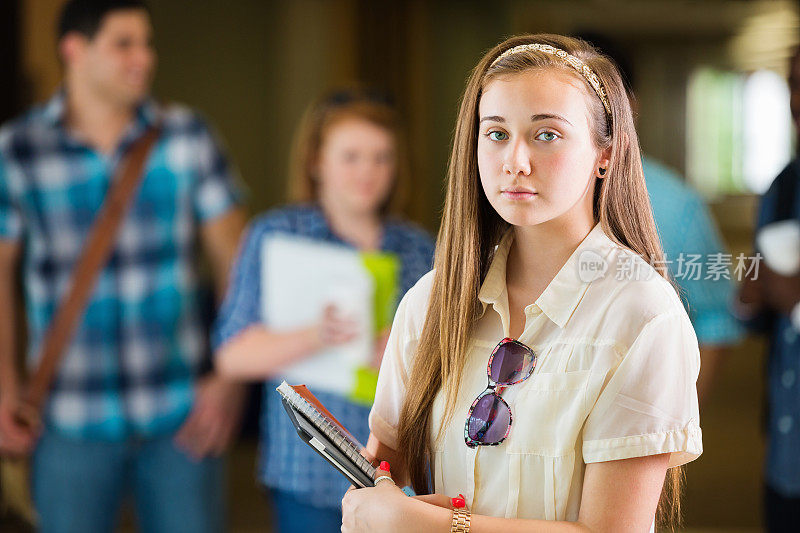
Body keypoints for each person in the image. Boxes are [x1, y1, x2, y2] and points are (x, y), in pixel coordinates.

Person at [341, 34, 702, 533]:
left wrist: (440, 526)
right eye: (495, 134)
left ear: (606, 155)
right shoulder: (432, 301)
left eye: (546, 134)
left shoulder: (642, 315)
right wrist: (374, 501)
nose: (515, 161)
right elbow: (385, 466)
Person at [0, 1, 247, 531]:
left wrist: (228, 378)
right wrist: (3, 387)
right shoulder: (17, 149)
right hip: (66, 422)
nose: (145, 58)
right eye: (124, 43)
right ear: (75, 50)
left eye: (147, 43)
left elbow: (238, 262)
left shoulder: (188, 137)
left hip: (181, 419)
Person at [213, 87, 435, 532]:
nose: (368, 172)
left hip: (398, 481)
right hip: (307, 476)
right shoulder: (274, 234)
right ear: (317, 161)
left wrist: (407, 356)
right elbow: (231, 354)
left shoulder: (419, 248)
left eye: (382, 157)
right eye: (351, 157)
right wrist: (321, 335)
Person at [574, 32, 742, 406]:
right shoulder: (515, 202)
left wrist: (675, 425)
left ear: (627, 106)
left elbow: (715, 319)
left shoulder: (675, 203)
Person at [736, 47, 800, 532]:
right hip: (784, 444)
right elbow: (760, 308)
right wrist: (750, 297)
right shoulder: (782, 187)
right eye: (794, 86)